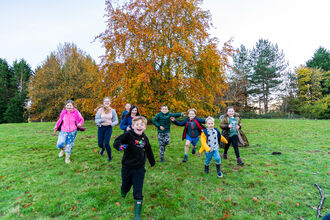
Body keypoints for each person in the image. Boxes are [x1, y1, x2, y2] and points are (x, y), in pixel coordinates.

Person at [114, 116, 155, 220]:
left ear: (145, 127)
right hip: (127, 167)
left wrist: (152, 162)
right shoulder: (128, 135)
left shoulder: (145, 138)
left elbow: (148, 150)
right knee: (126, 185)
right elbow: (117, 141)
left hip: (139, 169)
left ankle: (137, 215)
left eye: (142, 125)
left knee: (138, 190)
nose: (139, 126)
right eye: (137, 124)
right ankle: (123, 191)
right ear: (133, 126)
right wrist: (119, 146)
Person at [94, 97, 119, 163]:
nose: (107, 102)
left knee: (107, 143)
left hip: (108, 128)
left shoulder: (112, 110)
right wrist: (101, 120)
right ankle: (102, 148)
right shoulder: (100, 110)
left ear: (110, 103)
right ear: (103, 102)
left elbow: (116, 120)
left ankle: (110, 157)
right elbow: (96, 120)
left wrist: (112, 124)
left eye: (108, 101)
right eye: (105, 101)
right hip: (101, 128)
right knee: (100, 144)